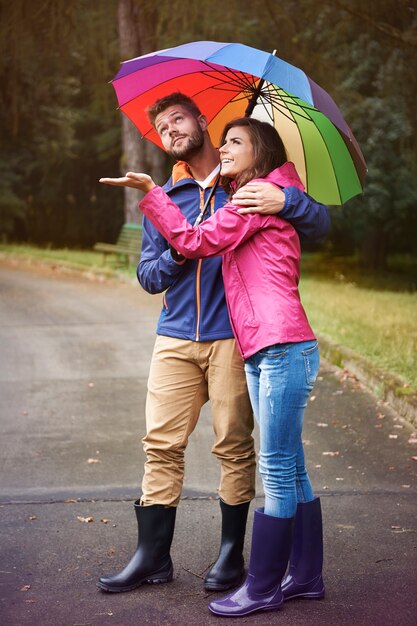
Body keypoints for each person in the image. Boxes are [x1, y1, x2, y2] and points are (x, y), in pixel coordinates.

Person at [97, 93, 329, 598]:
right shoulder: (173, 194)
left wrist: (286, 199)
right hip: (176, 336)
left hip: (235, 338)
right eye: (161, 127)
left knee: (235, 447)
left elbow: (319, 223)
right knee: (160, 444)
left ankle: (232, 555)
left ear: (202, 120)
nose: (171, 131)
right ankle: (152, 557)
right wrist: (178, 253)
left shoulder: (247, 186)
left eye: (178, 119)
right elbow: (148, 274)